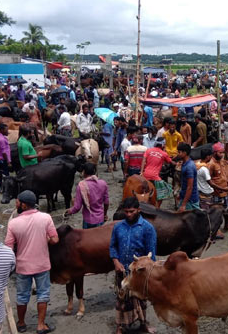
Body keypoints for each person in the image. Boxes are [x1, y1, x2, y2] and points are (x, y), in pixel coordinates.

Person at [4, 190, 59, 334]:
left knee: (22, 296)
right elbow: (55, 239)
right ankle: (41, 325)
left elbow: (8, 247)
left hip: (22, 266)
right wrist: (44, 239)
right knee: (43, 294)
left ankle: (21, 324)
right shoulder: (46, 218)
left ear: (23, 204)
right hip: (42, 264)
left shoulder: (13, 223)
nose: (16, 204)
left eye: (17, 202)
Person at [110, 196, 157, 334]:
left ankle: (143, 324)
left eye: (131, 211)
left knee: (141, 299)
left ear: (138, 210)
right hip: (122, 270)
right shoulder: (118, 227)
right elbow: (113, 247)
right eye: (126, 212)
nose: (129, 214)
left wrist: (145, 271)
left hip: (139, 272)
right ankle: (120, 326)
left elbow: (151, 254)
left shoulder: (148, 228)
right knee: (121, 298)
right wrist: (116, 262)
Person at [65, 162, 109, 228]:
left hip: (88, 220)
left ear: (84, 172)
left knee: (88, 237)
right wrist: (104, 214)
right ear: (95, 172)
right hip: (100, 218)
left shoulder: (81, 186)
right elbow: (106, 202)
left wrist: (69, 211)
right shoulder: (103, 183)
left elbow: (77, 207)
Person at [141, 137, 173, 208]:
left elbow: (143, 161)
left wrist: (141, 172)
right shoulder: (164, 154)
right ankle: (157, 208)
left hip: (145, 174)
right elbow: (171, 162)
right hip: (155, 177)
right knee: (163, 193)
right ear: (163, 145)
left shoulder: (148, 150)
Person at [177, 143, 199, 211]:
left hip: (190, 200)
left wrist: (184, 204)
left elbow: (190, 187)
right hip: (185, 197)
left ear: (185, 153)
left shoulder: (189, 167)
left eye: (179, 152)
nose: (178, 154)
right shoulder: (184, 163)